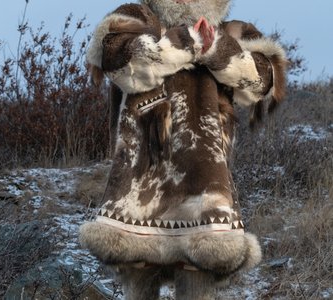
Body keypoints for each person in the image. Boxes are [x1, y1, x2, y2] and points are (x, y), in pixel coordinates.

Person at [80, 1, 287, 299]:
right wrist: (187, 42)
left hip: (203, 184)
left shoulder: (233, 31)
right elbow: (119, 60)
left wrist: (215, 47)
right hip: (141, 181)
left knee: (199, 279)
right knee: (139, 280)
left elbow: (260, 81)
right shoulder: (136, 17)